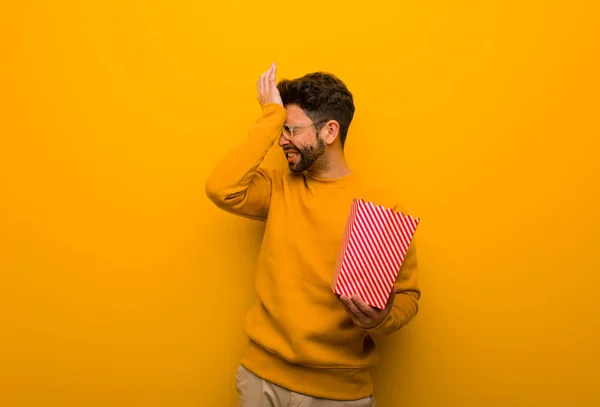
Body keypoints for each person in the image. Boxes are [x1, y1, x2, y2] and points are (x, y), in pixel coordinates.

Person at [205, 62, 420, 406]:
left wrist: (382, 318)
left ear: (330, 132)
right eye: (281, 129)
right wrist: (271, 116)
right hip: (262, 380)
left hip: (339, 394)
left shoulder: (382, 207)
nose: (281, 140)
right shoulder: (277, 189)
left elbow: (407, 297)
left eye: (291, 129)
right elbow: (221, 188)